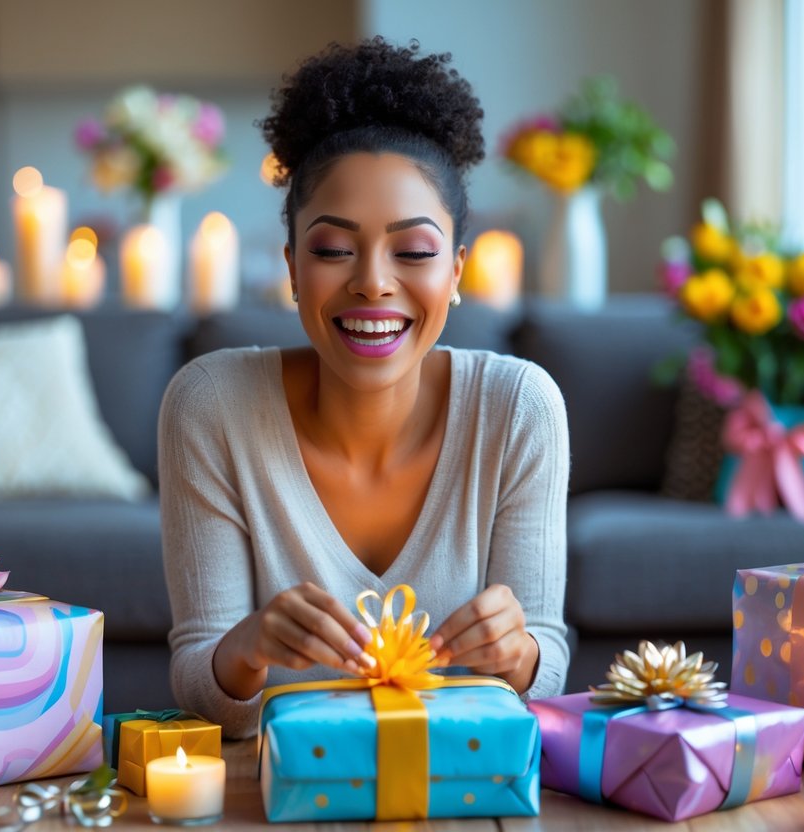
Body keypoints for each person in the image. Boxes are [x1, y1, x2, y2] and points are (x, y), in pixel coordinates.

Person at [159, 37, 569, 738]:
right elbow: (201, 685)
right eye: (332, 249)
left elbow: (545, 662)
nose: (373, 281)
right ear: (291, 267)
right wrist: (247, 646)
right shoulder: (211, 405)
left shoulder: (519, 407)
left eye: (412, 251)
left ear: (457, 272)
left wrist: (520, 651)